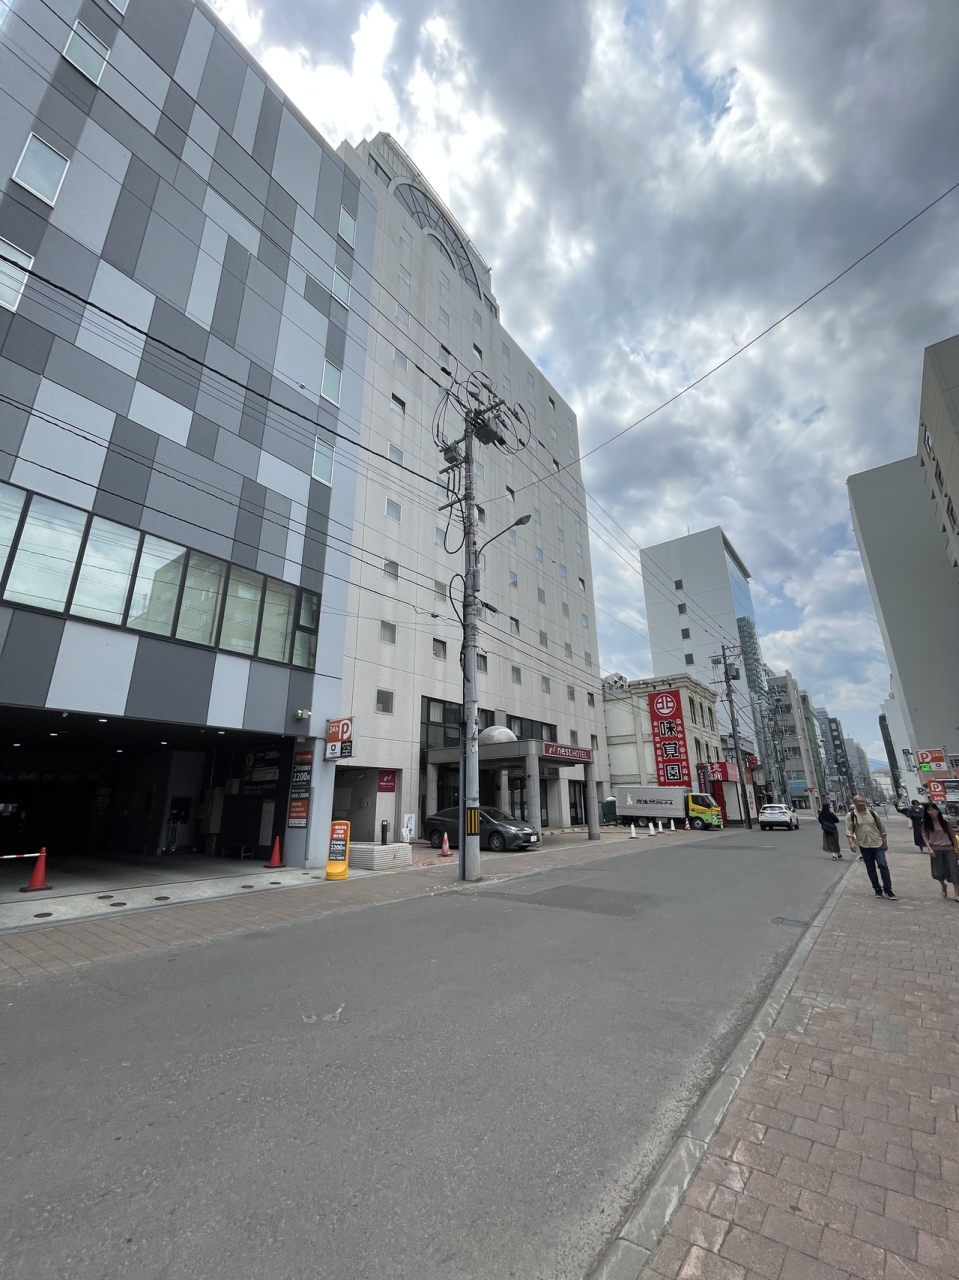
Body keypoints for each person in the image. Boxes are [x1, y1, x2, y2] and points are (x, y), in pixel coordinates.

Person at [845, 795, 896, 899]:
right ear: (854, 803)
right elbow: (849, 831)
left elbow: (882, 829)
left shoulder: (872, 813)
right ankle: (877, 889)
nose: (861, 803)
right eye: (859, 801)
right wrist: (851, 843)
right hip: (864, 845)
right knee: (870, 868)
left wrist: (885, 842)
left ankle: (888, 889)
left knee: (883, 865)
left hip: (877, 843)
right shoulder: (851, 815)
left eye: (862, 801)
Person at [922, 802, 959, 901]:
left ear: (937, 810)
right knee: (938, 872)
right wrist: (929, 848)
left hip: (948, 849)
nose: (930, 812)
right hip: (935, 850)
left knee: (954, 871)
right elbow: (925, 836)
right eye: (928, 810)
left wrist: (956, 849)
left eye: (932, 810)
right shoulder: (926, 823)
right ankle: (943, 885)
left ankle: (957, 894)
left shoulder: (945, 822)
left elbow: (952, 836)